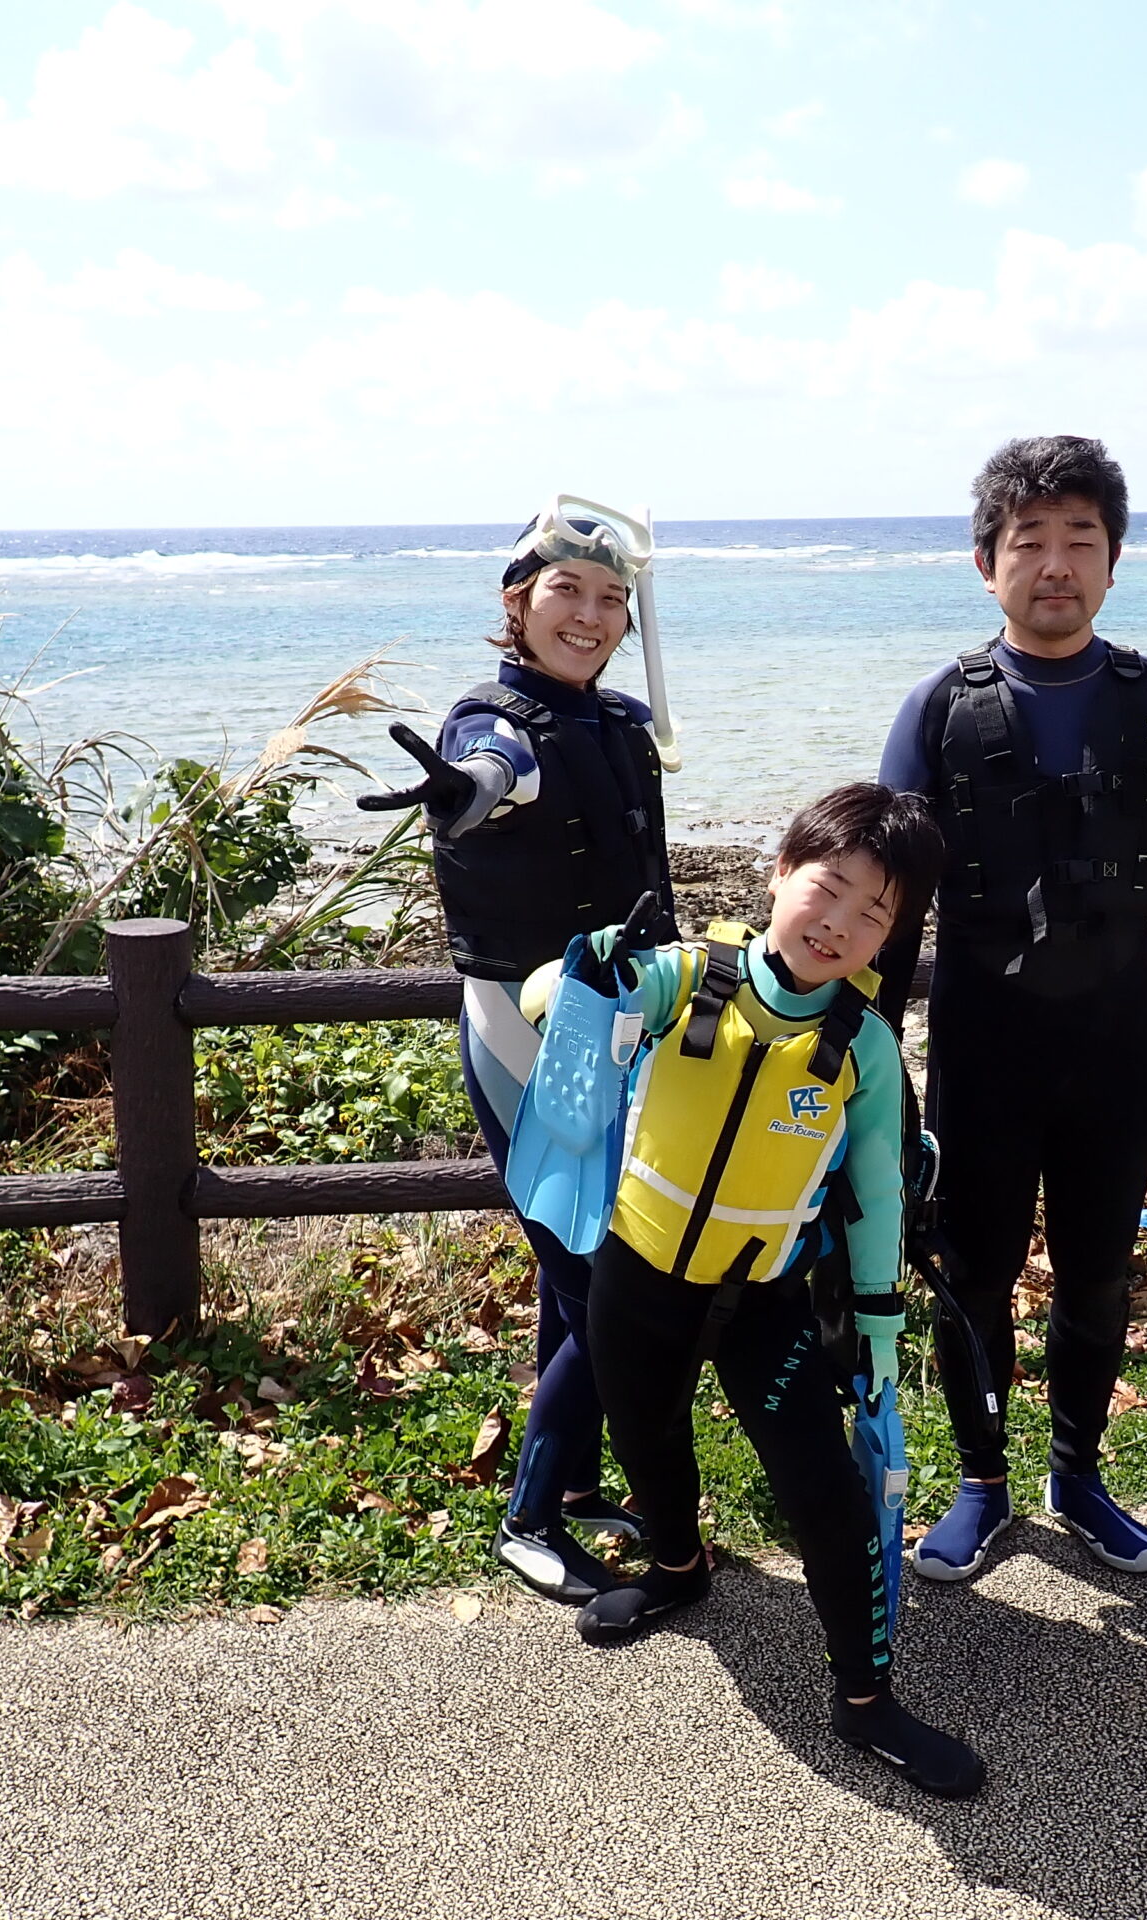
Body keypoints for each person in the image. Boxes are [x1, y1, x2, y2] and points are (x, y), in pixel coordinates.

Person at [528, 783, 986, 1799]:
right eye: (830, 890)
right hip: (636, 1274)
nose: (843, 924)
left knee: (823, 1496)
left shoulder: (861, 1046)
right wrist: (590, 970)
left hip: (765, 1300)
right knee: (646, 1439)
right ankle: (680, 1567)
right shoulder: (688, 979)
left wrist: (875, 1328)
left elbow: (873, 1194)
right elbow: (544, 1003)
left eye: (878, 914)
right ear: (781, 876)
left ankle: (866, 1700)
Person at [875, 434, 1147, 1584]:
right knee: (970, 1270)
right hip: (985, 1047)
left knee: (1096, 1272)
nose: (1054, 564)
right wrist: (870, 1065)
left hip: (1113, 1043)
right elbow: (883, 907)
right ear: (985, 563)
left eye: (1078, 540)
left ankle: (1078, 1475)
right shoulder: (939, 709)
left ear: (1114, 559)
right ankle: (980, 1484)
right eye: (1027, 542)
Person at [358, 498, 677, 1605]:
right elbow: (492, 769)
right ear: (516, 602)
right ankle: (529, 1516)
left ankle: (579, 1482)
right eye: (563, 593)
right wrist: (465, 793)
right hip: (524, 1031)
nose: (587, 616)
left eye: (608, 600)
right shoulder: (488, 719)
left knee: (570, 1266)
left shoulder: (619, 724)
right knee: (603, 1276)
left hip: (627, 1023)